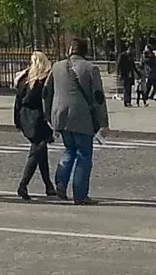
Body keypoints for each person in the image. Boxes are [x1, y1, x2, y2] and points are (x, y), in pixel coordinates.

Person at [49, 36, 109, 206]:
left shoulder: (56, 67)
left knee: (69, 150)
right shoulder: (91, 68)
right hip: (82, 118)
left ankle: (61, 182)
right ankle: (80, 194)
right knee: (84, 155)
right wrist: (103, 122)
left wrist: (50, 116)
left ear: (70, 49)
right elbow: (98, 97)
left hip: (61, 116)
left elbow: (47, 92)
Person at [13, 51, 54, 201]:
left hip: (25, 116)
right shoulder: (44, 79)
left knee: (41, 151)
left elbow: (18, 101)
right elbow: (46, 101)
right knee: (37, 151)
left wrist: (17, 120)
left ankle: (48, 185)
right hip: (37, 118)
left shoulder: (25, 78)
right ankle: (23, 184)